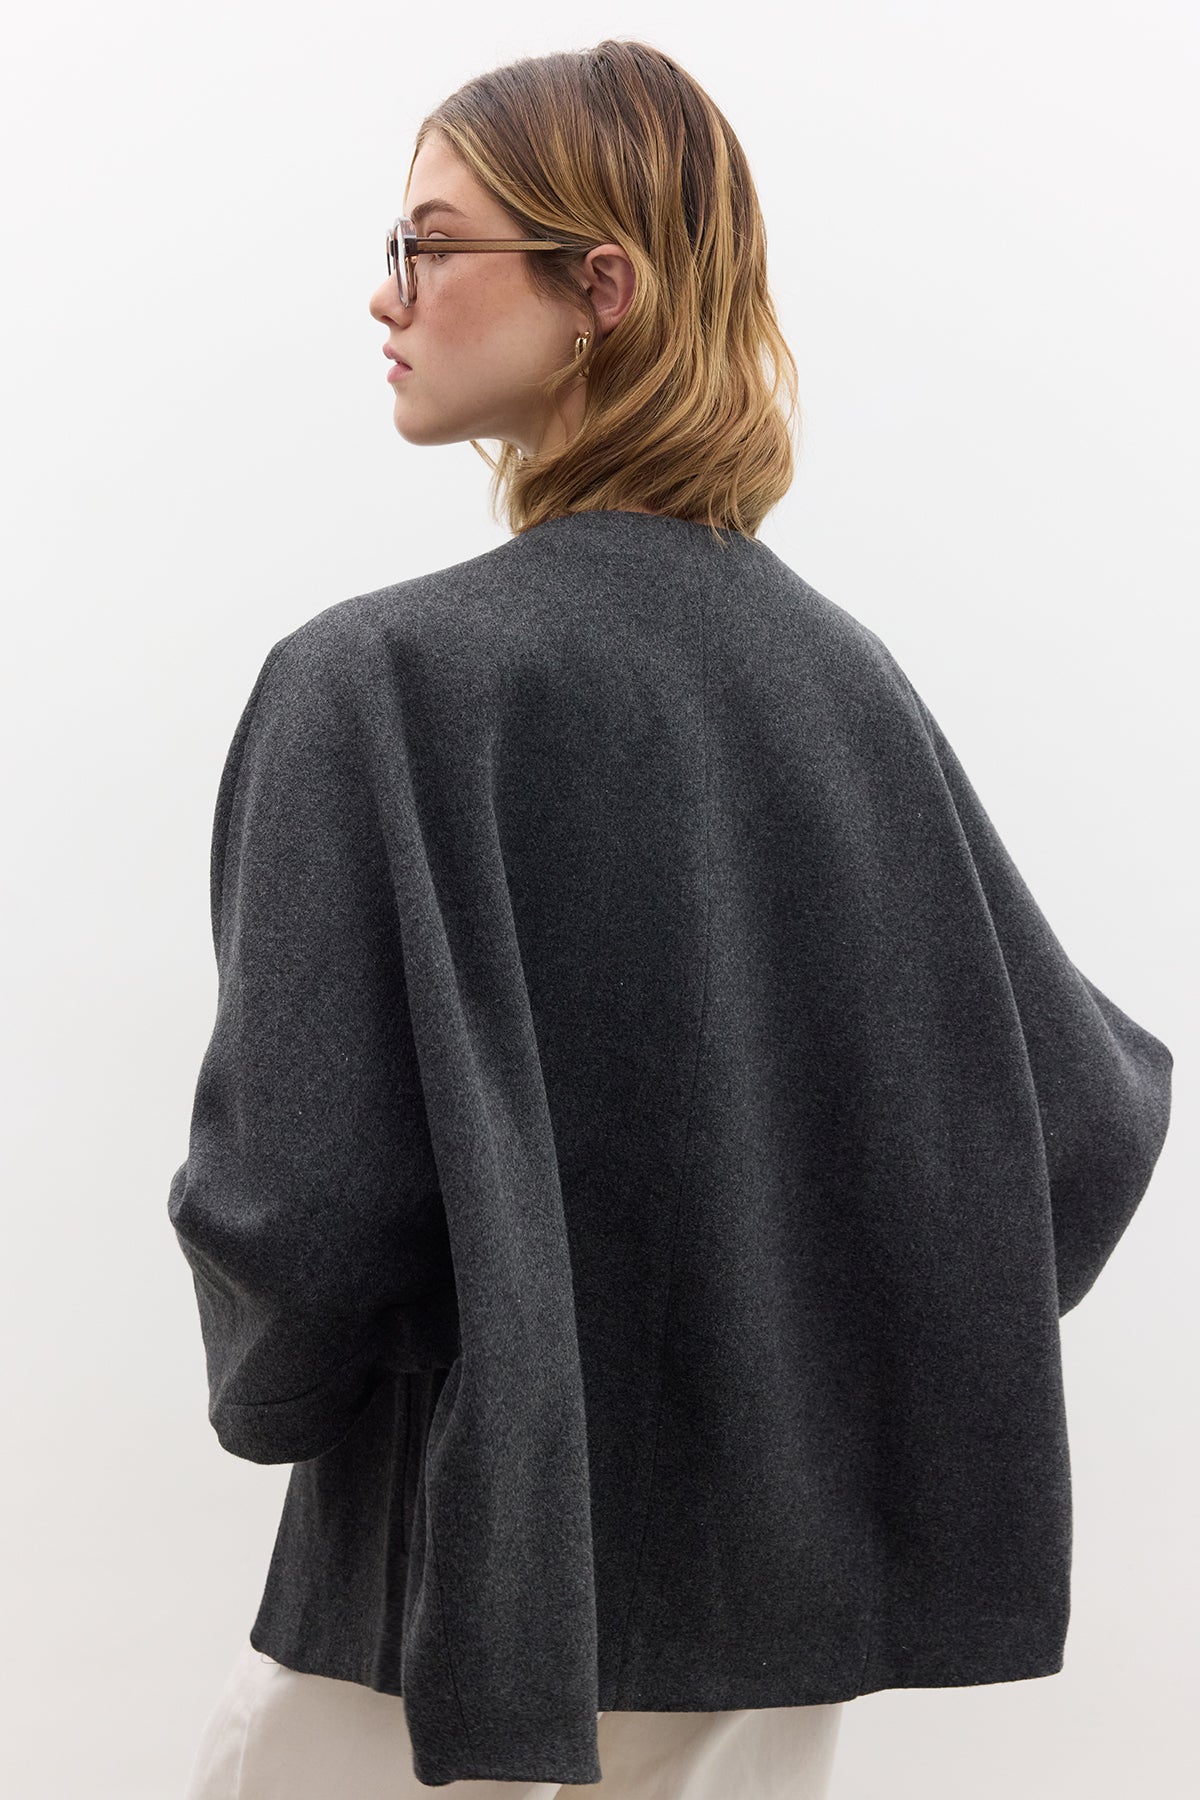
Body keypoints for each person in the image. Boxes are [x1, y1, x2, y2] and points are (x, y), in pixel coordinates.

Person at [171, 37, 1173, 1800]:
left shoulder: (377, 682)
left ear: (601, 289)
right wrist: (829, 1350)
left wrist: (300, 1384)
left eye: (429, 245)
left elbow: (296, 1215)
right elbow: (1081, 1122)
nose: (385, 294)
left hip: (445, 1621)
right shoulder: (843, 686)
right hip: (764, 1642)